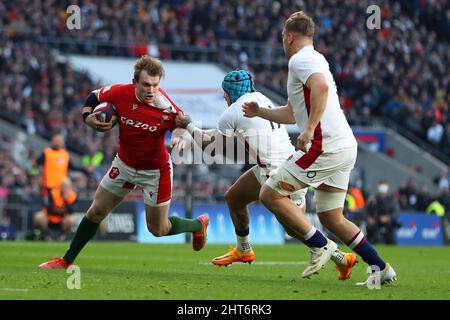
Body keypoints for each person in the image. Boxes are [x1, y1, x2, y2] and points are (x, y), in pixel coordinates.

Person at [242, 11, 396, 285]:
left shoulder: (300, 60)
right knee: (331, 215)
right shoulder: (316, 58)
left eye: (282, 37)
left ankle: (321, 245)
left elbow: (322, 88)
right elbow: (293, 112)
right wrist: (260, 112)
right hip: (344, 145)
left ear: (289, 36)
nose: (282, 41)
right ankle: (380, 267)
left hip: (324, 146)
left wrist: (310, 129)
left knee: (269, 194)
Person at [175, 70, 357, 280]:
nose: (224, 97)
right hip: (275, 165)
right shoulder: (261, 98)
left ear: (229, 92)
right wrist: (192, 126)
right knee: (234, 197)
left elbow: (211, 148)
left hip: (281, 173)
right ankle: (243, 249)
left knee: (293, 229)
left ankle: (341, 257)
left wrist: (188, 125)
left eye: (224, 93)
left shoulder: (232, 111)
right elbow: (218, 136)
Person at [38, 55, 209, 269]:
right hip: (124, 165)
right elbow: (93, 97)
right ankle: (66, 261)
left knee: (158, 229)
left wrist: (179, 137)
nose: (151, 90)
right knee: (96, 212)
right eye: (146, 84)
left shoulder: (166, 107)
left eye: (156, 85)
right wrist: (87, 117)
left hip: (155, 171)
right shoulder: (119, 92)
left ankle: (197, 225)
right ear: (135, 82)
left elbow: (181, 124)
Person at [366, 180, 401, 244]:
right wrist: (369, 218)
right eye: (381, 185)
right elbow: (366, 210)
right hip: (375, 223)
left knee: (391, 242)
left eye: (384, 185)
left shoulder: (392, 199)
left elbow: (396, 212)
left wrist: (388, 217)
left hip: (388, 225)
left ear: (388, 186)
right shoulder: (373, 198)